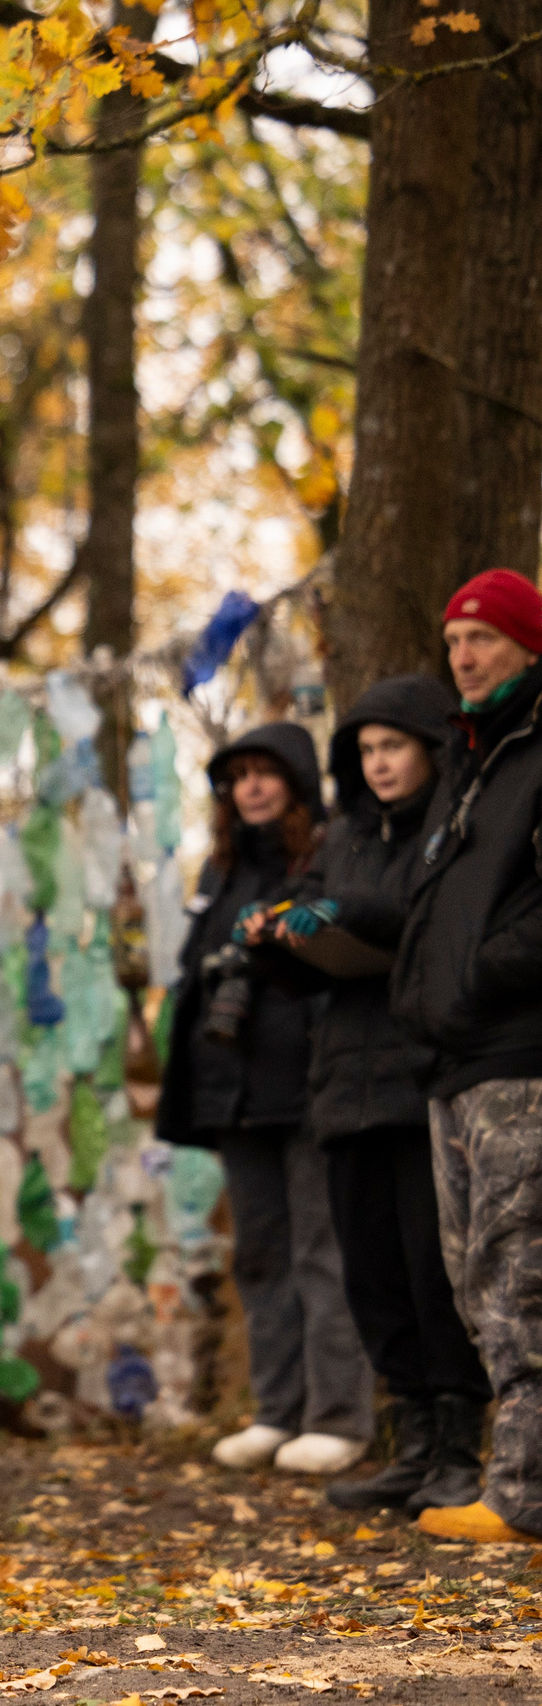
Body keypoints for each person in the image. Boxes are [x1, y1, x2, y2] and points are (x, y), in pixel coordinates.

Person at [246, 676, 490, 1512]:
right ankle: (413, 1441)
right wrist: (274, 936)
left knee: (434, 1273)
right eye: (366, 751)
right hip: (341, 1089)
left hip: (420, 1080)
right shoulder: (343, 835)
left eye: (393, 746)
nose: (379, 764)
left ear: (429, 747)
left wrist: (345, 909)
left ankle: (460, 1445)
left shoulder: (451, 829)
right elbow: (317, 932)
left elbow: (418, 918)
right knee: (373, 1277)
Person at [155, 722, 375, 1474]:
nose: (250, 786)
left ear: (297, 783)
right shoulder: (219, 873)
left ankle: (339, 1416)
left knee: (322, 1251)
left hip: (310, 1084)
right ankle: (277, 1412)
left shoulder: (326, 854)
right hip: (234, 1090)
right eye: (238, 775)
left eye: (266, 773)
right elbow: (196, 976)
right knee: (259, 1255)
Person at [389, 568, 542, 1543]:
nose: (463, 656)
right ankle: (515, 1472)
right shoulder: (470, 764)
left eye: (482, 638)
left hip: (520, 1055)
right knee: (472, 1277)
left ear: (527, 645)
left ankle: (525, 1493)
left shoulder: (535, 750)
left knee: (521, 1268)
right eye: (452, 641)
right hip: (452, 1058)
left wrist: (475, 976)